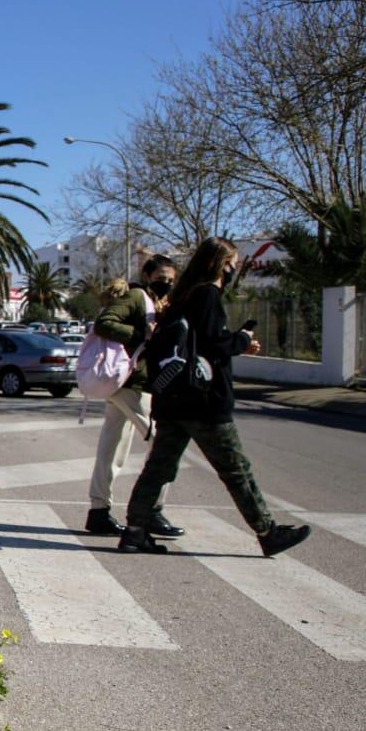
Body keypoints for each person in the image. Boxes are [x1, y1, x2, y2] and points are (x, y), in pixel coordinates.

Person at [120, 237, 311, 556]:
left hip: (173, 400)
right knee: (236, 469)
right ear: (222, 264)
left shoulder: (181, 297)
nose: (234, 269)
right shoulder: (207, 294)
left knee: (158, 468)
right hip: (203, 401)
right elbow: (215, 344)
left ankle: (134, 531)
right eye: (232, 263)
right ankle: (267, 531)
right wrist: (242, 339)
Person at [85, 254, 184, 538]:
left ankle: (98, 512)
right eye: (161, 278)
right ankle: (152, 510)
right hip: (131, 382)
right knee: (165, 441)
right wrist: (142, 332)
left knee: (112, 447)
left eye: (170, 280)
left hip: (125, 383)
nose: (166, 283)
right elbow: (105, 322)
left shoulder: (155, 301)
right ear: (148, 275)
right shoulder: (139, 295)